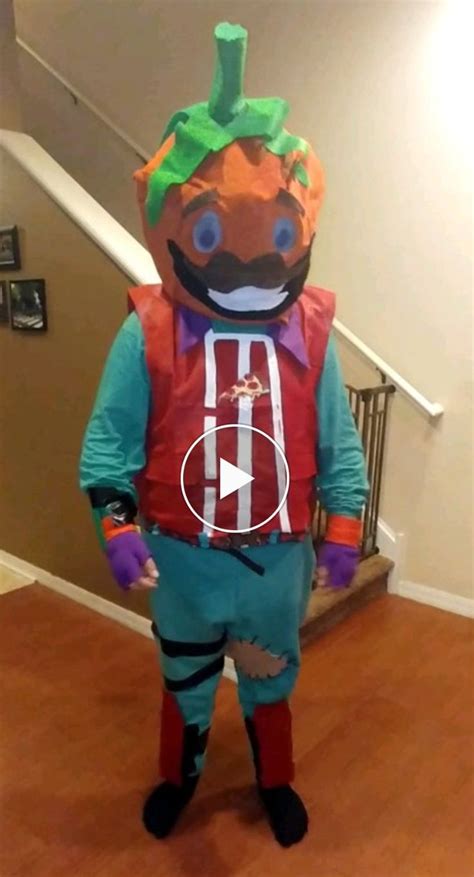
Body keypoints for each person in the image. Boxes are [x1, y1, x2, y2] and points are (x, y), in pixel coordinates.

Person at [80, 22, 368, 847]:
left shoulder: (313, 331)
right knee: (184, 679)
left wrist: (343, 527)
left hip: (277, 561)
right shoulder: (151, 330)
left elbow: (339, 441)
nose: (249, 268)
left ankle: (274, 779)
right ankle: (182, 774)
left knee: (272, 677)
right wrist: (116, 525)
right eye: (214, 237)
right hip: (184, 561)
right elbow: (108, 440)